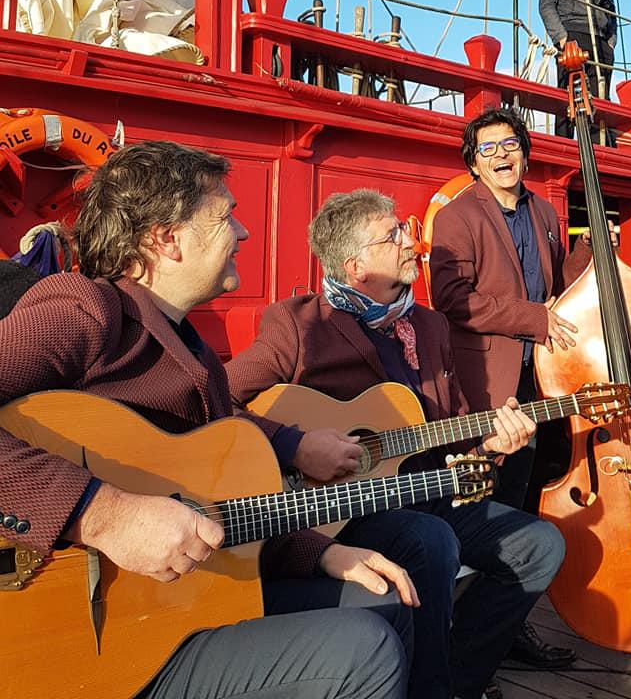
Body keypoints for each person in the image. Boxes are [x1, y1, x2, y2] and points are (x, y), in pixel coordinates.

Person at [0, 141, 410, 699]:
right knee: (366, 650)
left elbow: (221, 506)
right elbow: (120, 514)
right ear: (165, 238)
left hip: (180, 605)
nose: (243, 233)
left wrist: (322, 552)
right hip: (79, 643)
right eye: (226, 216)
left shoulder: (196, 358)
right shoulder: (87, 311)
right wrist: (101, 514)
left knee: (386, 599)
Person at [227, 188, 568, 699]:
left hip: (429, 488)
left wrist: (492, 442)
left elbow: (452, 423)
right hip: (342, 506)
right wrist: (294, 443)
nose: (413, 242)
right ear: (355, 264)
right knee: (430, 541)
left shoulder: (429, 326)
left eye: (405, 229)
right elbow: (217, 400)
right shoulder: (298, 325)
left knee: (539, 544)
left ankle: (454, 678)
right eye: (395, 235)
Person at [428, 107, 592, 670]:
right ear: (473, 162)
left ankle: (506, 633)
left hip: (539, 382)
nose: (501, 155)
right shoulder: (457, 217)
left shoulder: (545, 213)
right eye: (488, 147)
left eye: (510, 145)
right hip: (485, 389)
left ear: (525, 152)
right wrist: (533, 318)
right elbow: (454, 300)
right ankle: (465, 644)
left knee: (520, 505)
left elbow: (561, 289)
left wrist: (594, 252)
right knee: (484, 517)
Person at [538, 0, 617, 141]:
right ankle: (563, 145)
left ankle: (599, 150)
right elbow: (546, 4)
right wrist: (562, 39)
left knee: (601, 99)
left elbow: (611, 11)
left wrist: (610, 42)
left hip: (601, 41)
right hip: (572, 34)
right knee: (567, 97)